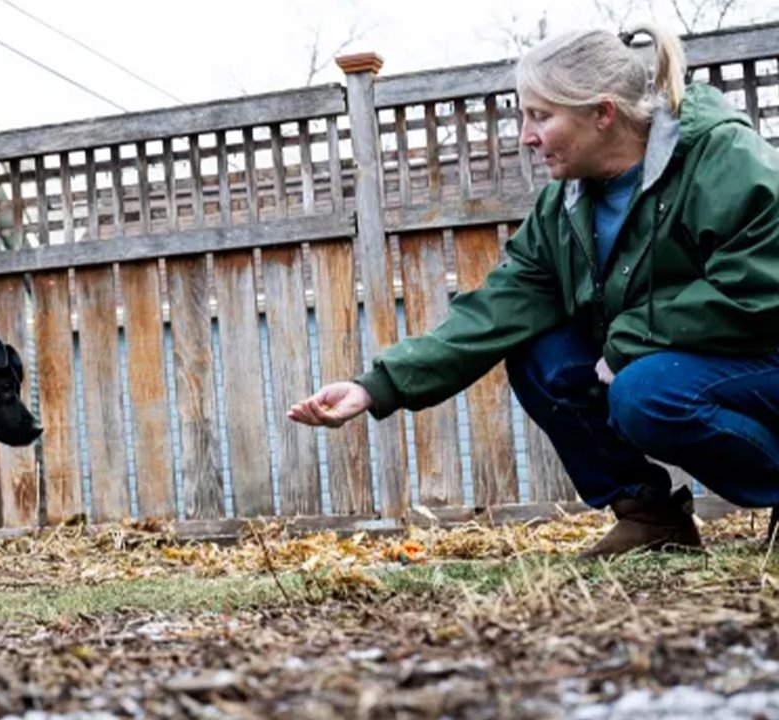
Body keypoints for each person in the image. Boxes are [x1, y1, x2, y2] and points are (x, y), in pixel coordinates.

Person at [289, 24, 779, 559]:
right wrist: (375, 386)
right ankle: (650, 518)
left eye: (540, 116)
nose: (525, 136)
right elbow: (495, 310)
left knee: (648, 392)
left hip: (763, 357)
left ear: (603, 113)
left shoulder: (720, 157)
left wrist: (629, 341)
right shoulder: (564, 208)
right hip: (692, 362)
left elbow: (760, 282)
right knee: (537, 350)